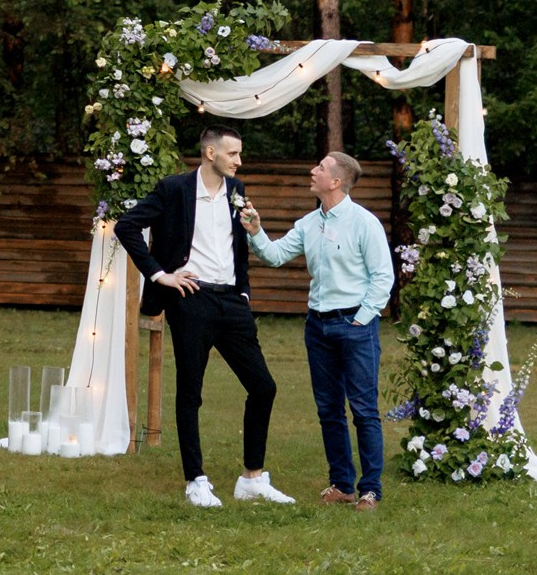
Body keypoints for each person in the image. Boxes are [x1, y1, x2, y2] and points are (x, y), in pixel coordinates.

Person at [113, 128, 293, 508]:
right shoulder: (174, 189)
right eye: (233, 153)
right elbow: (126, 226)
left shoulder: (236, 188)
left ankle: (252, 478)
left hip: (232, 302)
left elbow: (238, 243)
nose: (238, 161)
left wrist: (243, 290)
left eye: (239, 154)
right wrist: (160, 274)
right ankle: (195, 480)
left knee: (264, 387)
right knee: (190, 392)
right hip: (190, 299)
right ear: (210, 153)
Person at [245, 150, 394, 510]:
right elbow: (276, 255)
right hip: (318, 327)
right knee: (328, 410)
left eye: (321, 168)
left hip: (355, 327)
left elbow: (383, 277)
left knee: (363, 410)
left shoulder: (364, 223)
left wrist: (361, 318)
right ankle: (342, 484)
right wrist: (255, 231)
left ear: (336, 181)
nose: (313, 171)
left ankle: (370, 489)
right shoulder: (309, 223)